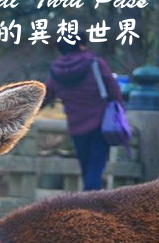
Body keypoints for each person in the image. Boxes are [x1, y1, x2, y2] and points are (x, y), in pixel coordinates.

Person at [43, 32, 125, 191]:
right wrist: (120, 110)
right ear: (81, 45)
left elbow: (46, 94)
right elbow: (113, 88)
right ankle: (91, 201)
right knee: (96, 166)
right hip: (99, 121)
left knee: (86, 165)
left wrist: (27, 113)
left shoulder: (56, 69)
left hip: (75, 123)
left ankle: (88, 198)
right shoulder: (95, 63)